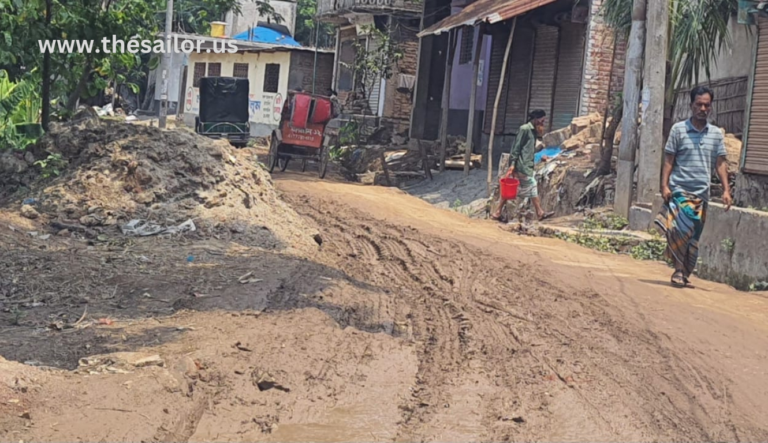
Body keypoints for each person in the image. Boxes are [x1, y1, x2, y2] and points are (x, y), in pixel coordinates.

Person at [655, 85, 732, 288]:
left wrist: (726, 190)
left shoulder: (715, 134)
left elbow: (720, 163)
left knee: (693, 237)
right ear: (691, 105)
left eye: (707, 105)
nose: (703, 109)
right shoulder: (678, 130)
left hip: (702, 195)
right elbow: (669, 160)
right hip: (680, 191)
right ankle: (678, 271)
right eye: (699, 104)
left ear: (711, 107)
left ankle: (684, 270)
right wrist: (664, 186)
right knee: (680, 230)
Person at [491, 110, 554, 221]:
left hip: (527, 165)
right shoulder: (524, 129)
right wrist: (512, 165)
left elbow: (528, 150)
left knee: (512, 190)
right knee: (532, 185)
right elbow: (516, 147)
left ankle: (497, 212)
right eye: (542, 120)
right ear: (535, 119)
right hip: (521, 165)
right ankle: (540, 212)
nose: (543, 123)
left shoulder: (533, 132)